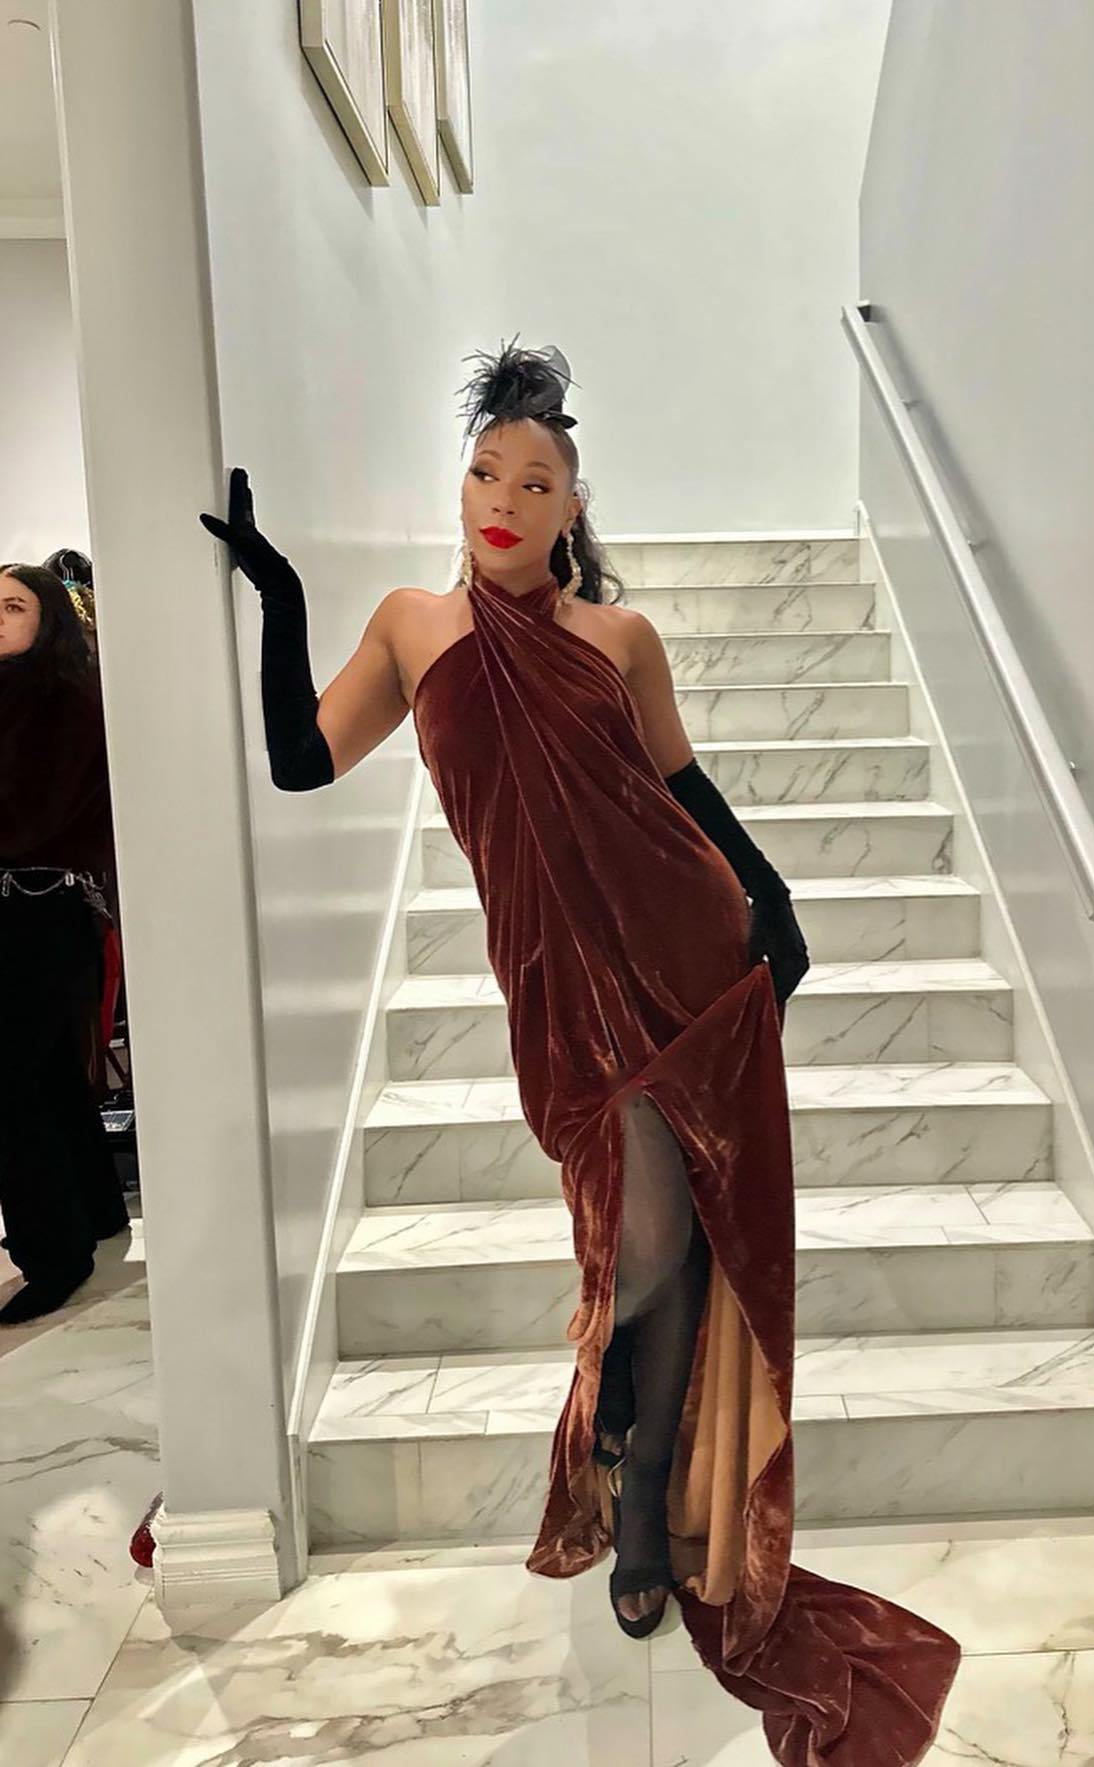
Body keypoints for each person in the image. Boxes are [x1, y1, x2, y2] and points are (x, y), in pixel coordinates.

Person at [199, 341, 959, 1762]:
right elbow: (302, 762)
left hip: (677, 954)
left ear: (571, 506)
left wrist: (773, 897)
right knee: (644, 1238)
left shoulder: (620, 640)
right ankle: (621, 1423)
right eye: (485, 471)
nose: (504, 498)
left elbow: (681, 785)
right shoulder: (411, 627)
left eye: (534, 481)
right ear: (463, 485)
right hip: (553, 985)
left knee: (665, 1242)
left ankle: (642, 1498)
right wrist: (280, 596)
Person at [0, 563, 129, 1324]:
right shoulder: (24, 697)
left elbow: (28, 816)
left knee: (14, 1086)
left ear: (47, 616)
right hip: (31, 913)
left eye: (12, 606)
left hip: (41, 911)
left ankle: (52, 1255)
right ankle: (94, 1214)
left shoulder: (65, 701)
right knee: (45, 1076)